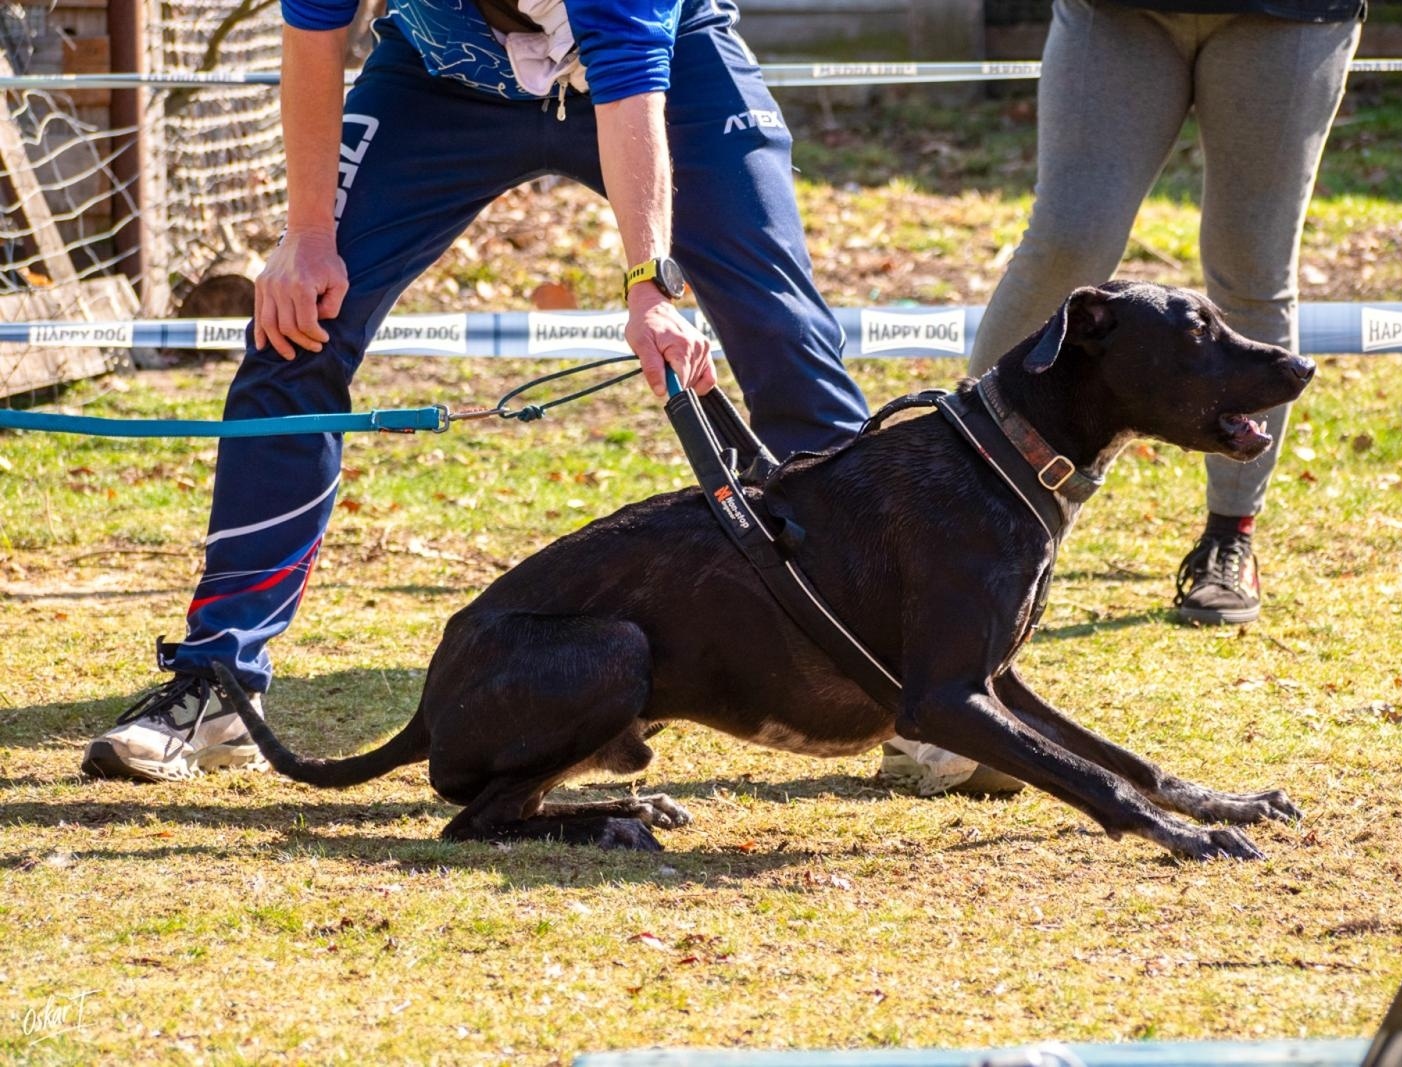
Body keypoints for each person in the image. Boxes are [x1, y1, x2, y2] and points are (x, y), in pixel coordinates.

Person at [82, 0, 871, 782]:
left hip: (666, 67)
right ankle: (219, 682)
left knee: (786, 335)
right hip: (441, 72)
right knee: (295, 328)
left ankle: (899, 672)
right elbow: (314, 40)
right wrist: (307, 236)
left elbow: (631, 74)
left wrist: (649, 285)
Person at [880, 0, 1362, 798]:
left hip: (1289, 18)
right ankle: (960, 504)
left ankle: (1226, 540)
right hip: (1120, 13)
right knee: (1067, 240)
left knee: (1252, 266)